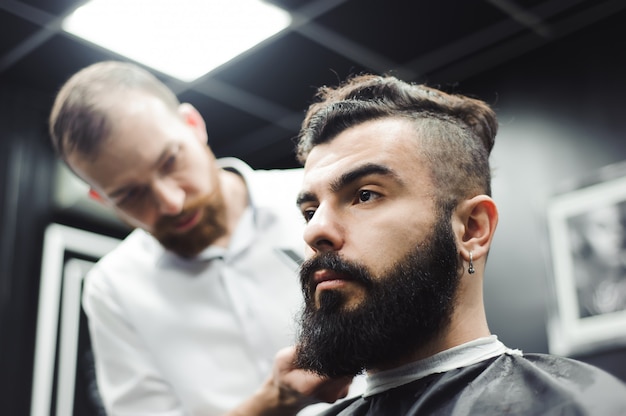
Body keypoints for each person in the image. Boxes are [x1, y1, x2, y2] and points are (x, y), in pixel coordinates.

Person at [290, 73, 626, 414]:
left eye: (365, 195)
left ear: (471, 229)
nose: (314, 232)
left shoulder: (580, 407)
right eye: (310, 211)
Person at [48, 60, 352, 416]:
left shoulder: (319, 201)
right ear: (102, 199)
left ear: (193, 125)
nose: (171, 203)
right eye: (130, 195)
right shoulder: (113, 287)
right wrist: (275, 403)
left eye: (169, 162)